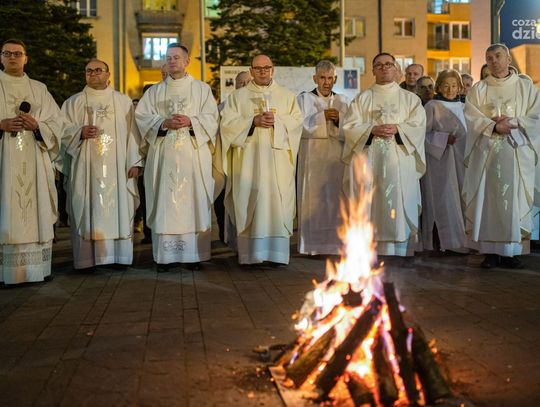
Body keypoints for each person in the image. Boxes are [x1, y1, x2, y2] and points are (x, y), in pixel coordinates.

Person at [135, 43, 219, 271]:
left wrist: (191, 121)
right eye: (168, 57)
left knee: (192, 202)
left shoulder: (201, 89)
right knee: (165, 203)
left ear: (187, 61)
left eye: (176, 57)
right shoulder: (154, 91)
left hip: (192, 156)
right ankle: (165, 258)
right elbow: (141, 117)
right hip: (164, 157)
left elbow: (212, 118)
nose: (172, 61)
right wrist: (163, 123)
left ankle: (192, 257)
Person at [220, 54, 303, 265]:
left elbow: (297, 124)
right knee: (250, 202)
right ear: (251, 71)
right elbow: (226, 126)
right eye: (258, 68)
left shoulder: (286, 96)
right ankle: (251, 256)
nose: (263, 71)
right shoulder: (237, 97)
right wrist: (252, 121)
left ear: (273, 69)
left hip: (278, 165)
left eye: (267, 67)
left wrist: (278, 121)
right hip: (248, 163)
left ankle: (277, 256)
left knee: (277, 204)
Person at [62, 59, 144, 271]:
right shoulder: (73, 102)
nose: (93, 74)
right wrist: (78, 133)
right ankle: (87, 260)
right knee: (85, 205)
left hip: (118, 168)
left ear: (108, 74)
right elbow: (61, 132)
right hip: (86, 168)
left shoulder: (123, 101)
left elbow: (134, 135)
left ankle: (118, 257)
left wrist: (135, 162)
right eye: (89, 70)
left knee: (118, 208)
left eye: (98, 70)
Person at [463, 43, 540, 269]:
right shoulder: (479, 89)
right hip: (487, 155)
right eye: (489, 58)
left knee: (512, 200)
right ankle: (489, 253)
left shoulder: (526, 88)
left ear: (508, 59)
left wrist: (512, 123)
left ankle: (510, 253)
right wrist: (493, 126)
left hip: (516, 153)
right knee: (487, 201)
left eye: (498, 56)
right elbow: (471, 117)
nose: (494, 61)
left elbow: (535, 117)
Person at [342, 52, 426, 257]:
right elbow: (349, 127)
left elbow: (418, 125)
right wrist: (371, 130)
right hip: (369, 162)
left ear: (396, 69)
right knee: (371, 202)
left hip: (400, 163)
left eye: (388, 64)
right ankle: (370, 251)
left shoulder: (410, 99)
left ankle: (400, 250)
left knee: (397, 201)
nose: (384, 68)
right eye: (378, 65)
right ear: (373, 70)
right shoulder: (362, 99)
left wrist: (398, 129)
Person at [0, 39, 64, 285]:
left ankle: (37, 270)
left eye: (17, 53)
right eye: (7, 53)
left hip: (35, 159)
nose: (12, 57)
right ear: (1, 57)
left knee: (34, 209)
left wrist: (38, 126)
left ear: (26, 58)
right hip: (4, 159)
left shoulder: (39, 89)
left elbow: (57, 124)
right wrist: (1, 124)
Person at [296, 60, 350, 255]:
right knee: (313, 200)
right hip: (312, 158)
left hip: (336, 158)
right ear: (315, 78)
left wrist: (338, 120)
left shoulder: (343, 101)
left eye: (330, 78)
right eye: (322, 78)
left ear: (335, 79)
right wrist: (322, 117)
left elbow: (351, 129)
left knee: (336, 200)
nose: (326, 82)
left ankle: (336, 245)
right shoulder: (304, 100)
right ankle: (312, 246)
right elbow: (298, 127)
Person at [421, 69, 467, 253]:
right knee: (443, 198)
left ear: (459, 87)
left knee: (461, 197)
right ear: (438, 87)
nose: (450, 90)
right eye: (446, 85)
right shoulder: (432, 106)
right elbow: (422, 134)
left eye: (454, 86)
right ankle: (445, 242)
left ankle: (463, 241)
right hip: (439, 161)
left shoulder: (465, 107)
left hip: (462, 160)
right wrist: (442, 139)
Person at [215, 71, 252, 243]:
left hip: (250, 161)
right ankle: (227, 236)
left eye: (247, 82)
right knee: (226, 200)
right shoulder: (223, 107)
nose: (244, 85)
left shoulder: (256, 106)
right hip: (227, 160)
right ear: (235, 86)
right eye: (241, 83)